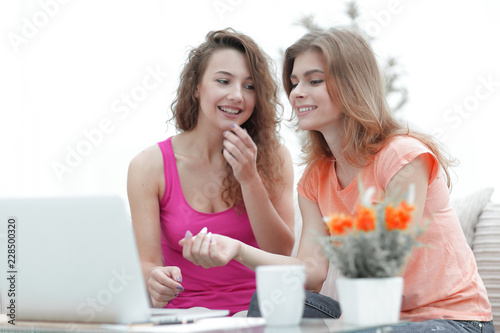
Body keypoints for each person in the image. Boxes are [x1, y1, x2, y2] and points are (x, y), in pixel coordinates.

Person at [179, 27, 494, 332]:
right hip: (374, 319)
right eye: (294, 82)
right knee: (272, 301)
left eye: (314, 80)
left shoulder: (404, 157)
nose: (297, 92)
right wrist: (236, 249)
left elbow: (386, 263)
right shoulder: (315, 178)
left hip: (453, 321)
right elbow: (312, 272)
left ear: (352, 85)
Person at [127, 28, 295, 315]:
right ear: (196, 87)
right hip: (185, 317)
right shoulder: (148, 166)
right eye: (223, 81)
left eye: (249, 86)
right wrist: (154, 279)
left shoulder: (273, 157)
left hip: (260, 314)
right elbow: (148, 263)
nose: (237, 96)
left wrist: (249, 177)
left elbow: (281, 253)